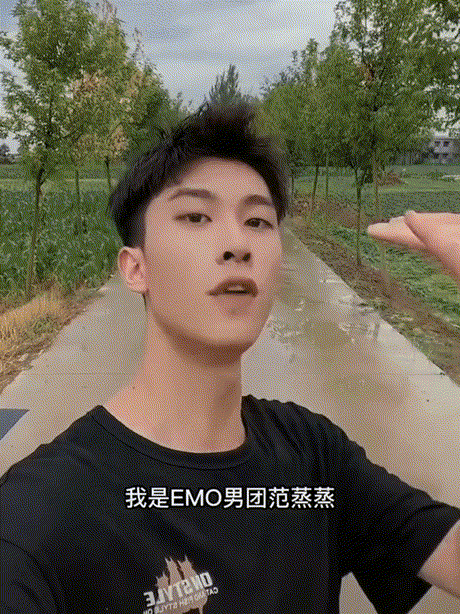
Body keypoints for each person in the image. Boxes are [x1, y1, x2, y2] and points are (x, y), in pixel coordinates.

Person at [1, 101, 459, 614]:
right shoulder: (43, 510)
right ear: (135, 269)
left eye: (258, 221)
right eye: (196, 216)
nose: (237, 244)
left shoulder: (313, 458)